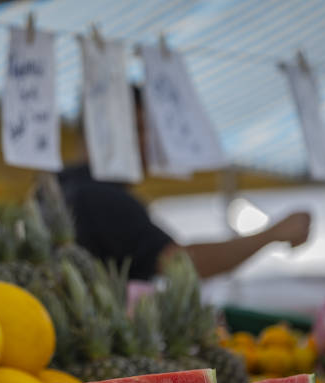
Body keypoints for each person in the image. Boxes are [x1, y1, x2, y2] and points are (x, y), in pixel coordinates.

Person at [58, 87, 311, 280]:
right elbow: (180, 264)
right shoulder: (100, 197)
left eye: (149, 131)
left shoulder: (56, 187)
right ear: (97, 132)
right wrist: (270, 235)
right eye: (136, 130)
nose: (147, 143)